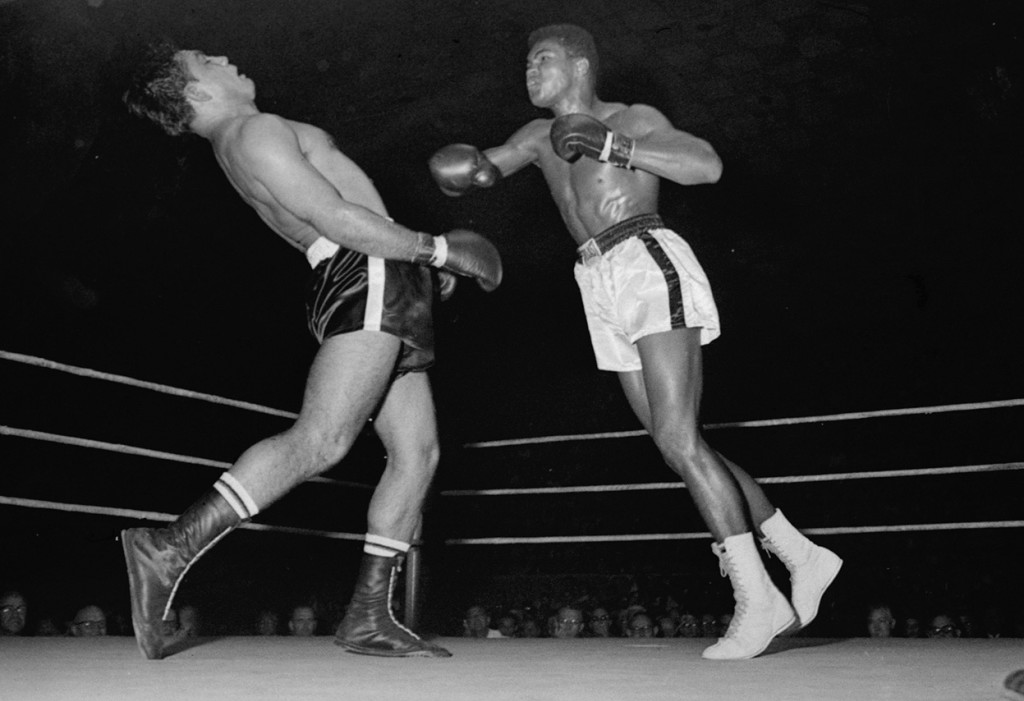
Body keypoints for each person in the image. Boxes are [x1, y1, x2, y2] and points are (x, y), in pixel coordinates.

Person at [428, 23, 841, 660]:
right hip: (595, 280)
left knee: (679, 439)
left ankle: (759, 599)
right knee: (678, 442)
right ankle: (799, 553)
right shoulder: (536, 136)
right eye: (527, 63)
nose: (529, 71)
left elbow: (705, 166)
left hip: (646, 256)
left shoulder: (632, 117)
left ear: (581, 64)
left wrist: (615, 146)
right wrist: (465, 174)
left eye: (542, 59)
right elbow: (489, 168)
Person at [120, 43, 502, 661]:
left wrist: (418, 261)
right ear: (193, 90)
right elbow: (338, 217)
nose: (222, 55)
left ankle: (368, 615)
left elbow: (343, 219)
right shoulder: (254, 129)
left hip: (377, 274)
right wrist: (435, 250)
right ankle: (168, 547)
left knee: (417, 451)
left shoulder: (238, 140)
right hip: (367, 270)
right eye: (204, 59)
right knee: (324, 438)